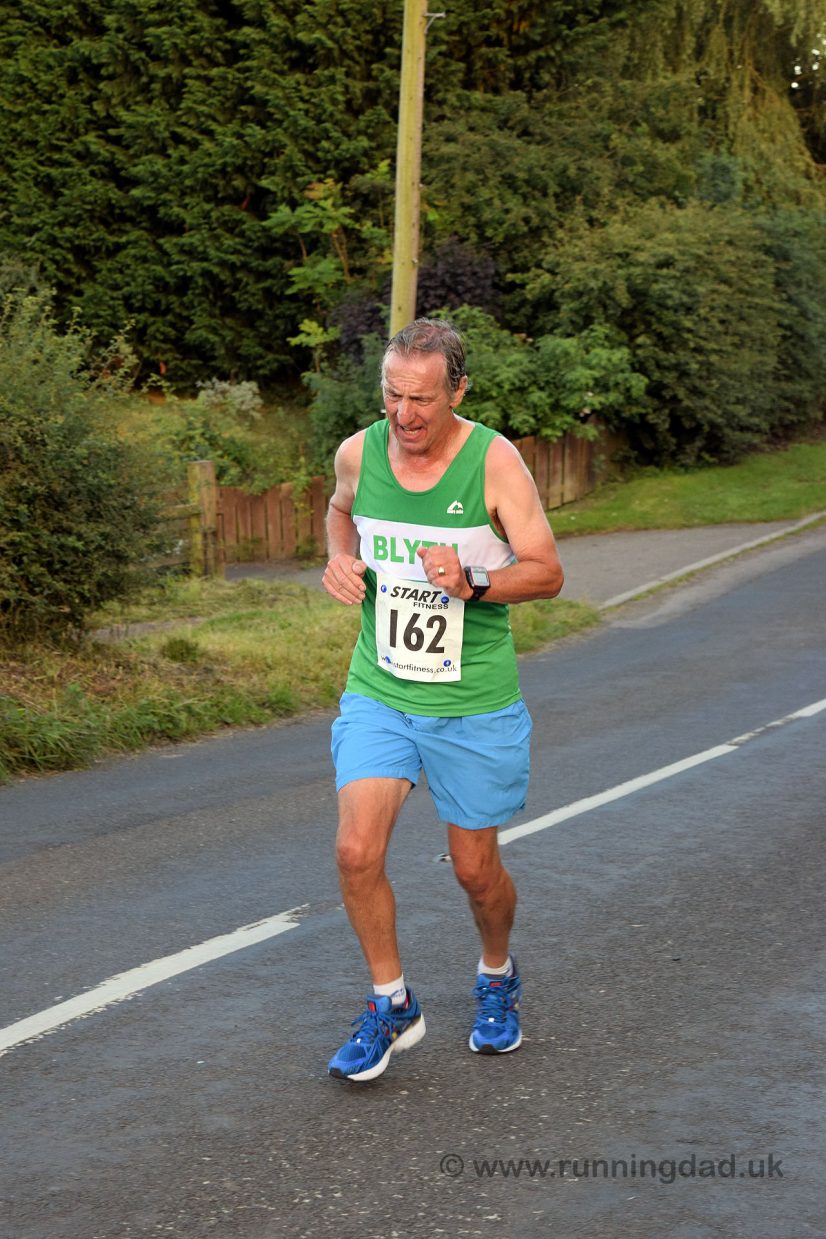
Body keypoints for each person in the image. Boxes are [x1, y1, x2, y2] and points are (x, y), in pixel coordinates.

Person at [322, 317, 563, 1082]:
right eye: (393, 394)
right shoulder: (359, 451)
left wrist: (472, 581)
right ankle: (391, 1002)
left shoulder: (495, 463)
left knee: (473, 869)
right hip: (380, 688)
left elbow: (548, 570)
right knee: (355, 849)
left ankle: (496, 972)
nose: (406, 414)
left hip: (472, 701)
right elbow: (338, 508)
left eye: (423, 398)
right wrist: (338, 557)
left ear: (458, 389)